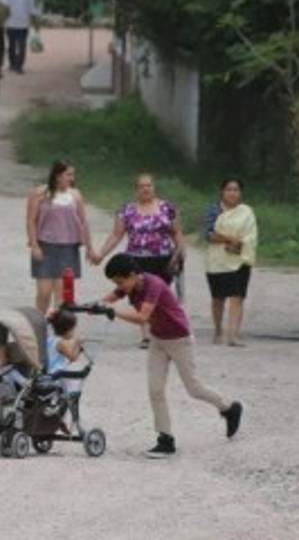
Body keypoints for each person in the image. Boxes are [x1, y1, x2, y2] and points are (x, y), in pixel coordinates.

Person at [101, 253, 243, 458]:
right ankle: (165, 439)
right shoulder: (129, 286)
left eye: (121, 282)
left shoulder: (153, 285)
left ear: (133, 275)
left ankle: (229, 408)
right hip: (158, 340)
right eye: (117, 283)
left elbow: (142, 317)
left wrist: (113, 312)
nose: (120, 287)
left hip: (179, 340)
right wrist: (89, 306)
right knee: (155, 390)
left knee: (194, 388)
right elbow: (107, 299)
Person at [94, 174, 185, 348]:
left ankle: (161, 329)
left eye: (149, 185)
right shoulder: (127, 210)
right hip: (136, 259)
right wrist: (102, 253)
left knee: (158, 294)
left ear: (154, 187)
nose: (146, 189)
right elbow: (116, 234)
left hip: (162, 258)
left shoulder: (167, 207)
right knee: (138, 295)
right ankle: (146, 335)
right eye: (142, 186)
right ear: (136, 190)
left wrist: (180, 251)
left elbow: (176, 232)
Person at [27, 160, 94, 311]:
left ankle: (59, 328)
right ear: (57, 176)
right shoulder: (39, 193)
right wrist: (34, 245)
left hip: (68, 248)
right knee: (44, 292)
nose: (72, 178)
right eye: (68, 174)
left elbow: (83, 222)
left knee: (62, 294)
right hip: (45, 246)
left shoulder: (76, 195)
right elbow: (31, 220)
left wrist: (90, 248)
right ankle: (40, 324)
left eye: (73, 174)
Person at [205, 178, 258, 347]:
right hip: (217, 260)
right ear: (222, 192)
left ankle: (233, 334)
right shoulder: (214, 210)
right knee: (218, 298)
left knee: (237, 296)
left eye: (236, 190)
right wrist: (230, 239)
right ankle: (218, 330)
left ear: (241, 193)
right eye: (229, 189)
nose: (232, 193)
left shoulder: (247, 212)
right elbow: (209, 234)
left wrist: (241, 243)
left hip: (240, 258)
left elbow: (252, 235)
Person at [0, 0, 39, 74]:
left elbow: (5, 10)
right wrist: (36, 24)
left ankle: (12, 64)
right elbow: (32, 11)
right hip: (23, 25)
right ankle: (19, 66)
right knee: (22, 46)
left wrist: (1, 22)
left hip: (10, 24)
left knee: (11, 45)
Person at [45, 307, 84, 398]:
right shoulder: (61, 342)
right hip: (56, 374)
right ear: (68, 329)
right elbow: (73, 357)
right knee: (74, 382)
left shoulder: (50, 339)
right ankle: (70, 398)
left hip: (47, 370)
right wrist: (77, 342)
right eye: (73, 329)